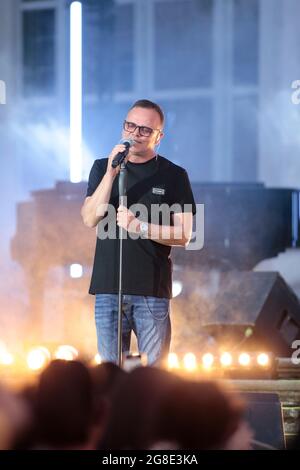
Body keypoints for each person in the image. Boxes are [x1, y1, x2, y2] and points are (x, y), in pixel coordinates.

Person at [81, 99, 196, 365]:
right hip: (109, 288)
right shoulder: (102, 167)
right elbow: (89, 218)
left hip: (151, 292)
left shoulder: (174, 175)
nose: (135, 134)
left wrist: (140, 226)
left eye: (145, 130)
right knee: (111, 375)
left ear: (159, 136)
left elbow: (185, 234)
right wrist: (111, 173)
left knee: (153, 378)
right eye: (130, 126)